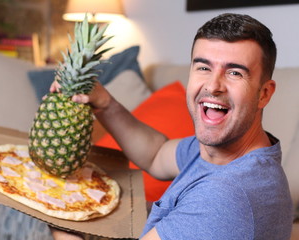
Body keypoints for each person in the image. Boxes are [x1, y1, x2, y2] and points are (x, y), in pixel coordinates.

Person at [51, 13, 293, 240]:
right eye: (204, 67)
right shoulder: (226, 153)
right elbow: (157, 153)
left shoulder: (227, 197)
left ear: (264, 93)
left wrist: (58, 222)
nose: (213, 85)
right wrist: (105, 104)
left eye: (234, 73)